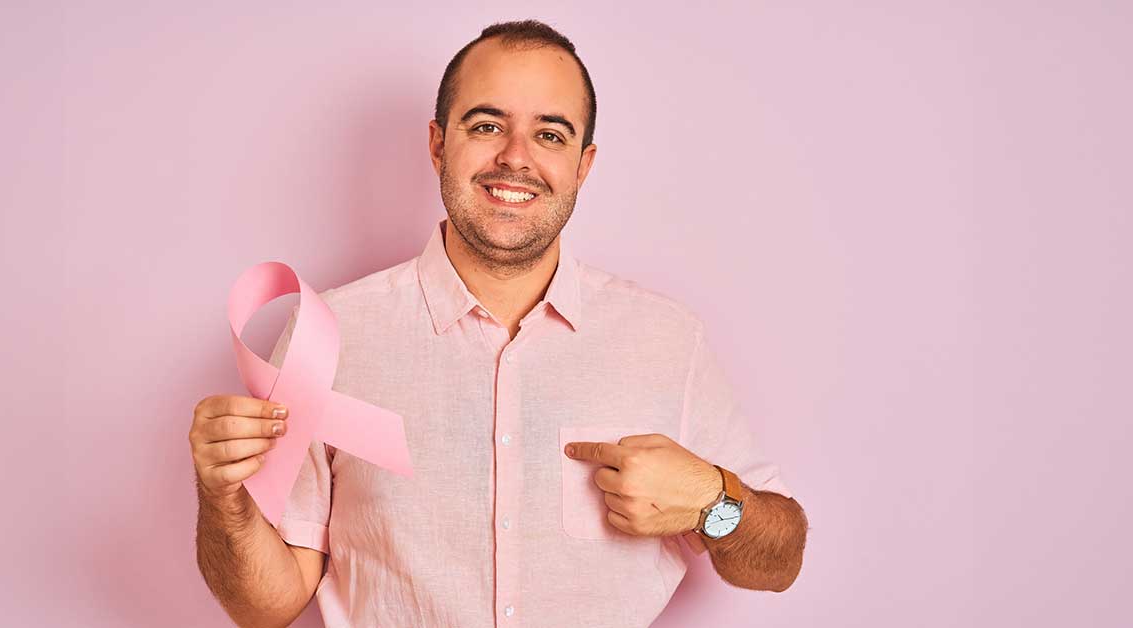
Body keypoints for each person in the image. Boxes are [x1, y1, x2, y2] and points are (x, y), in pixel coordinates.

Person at [189, 19, 808, 628]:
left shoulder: (667, 340)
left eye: (551, 135)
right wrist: (223, 501)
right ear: (438, 144)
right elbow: (264, 607)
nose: (516, 158)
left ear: (583, 165)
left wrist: (712, 502)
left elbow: (777, 564)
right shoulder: (328, 338)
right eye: (487, 126)